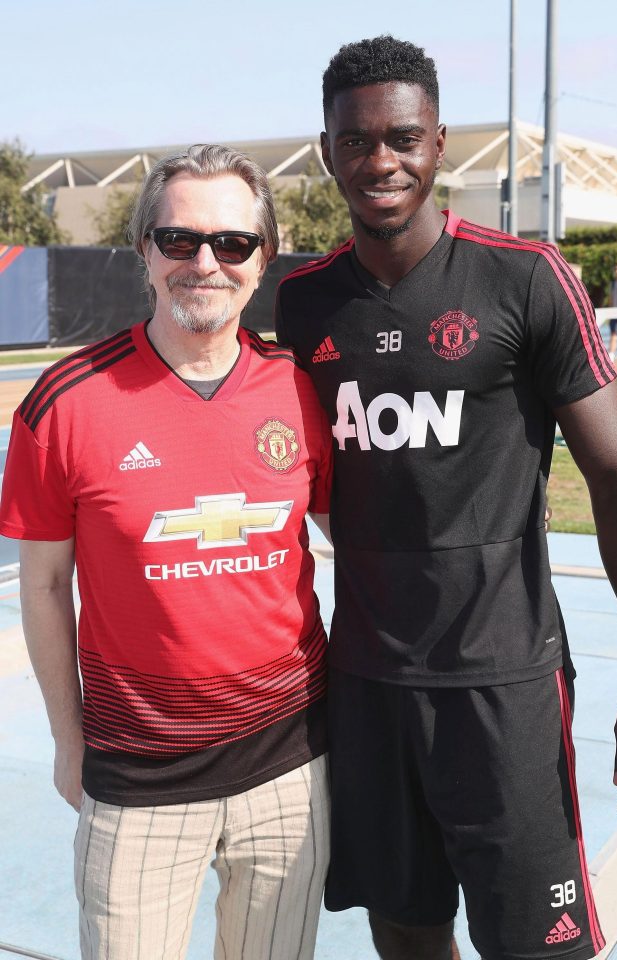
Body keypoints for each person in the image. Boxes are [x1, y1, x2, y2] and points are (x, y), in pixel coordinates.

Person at [275, 36, 617, 960]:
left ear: (441, 143)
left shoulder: (524, 279)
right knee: (407, 935)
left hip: (505, 686)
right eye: (358, 141)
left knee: (537, 948)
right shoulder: (299, 305)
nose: (383, 161)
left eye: (404, 138)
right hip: (368, 684)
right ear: (328, 151)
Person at [0, 145, 334, 960]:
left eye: (232, 243)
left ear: (263, 260)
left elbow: (366, 552)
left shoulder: (303, 390)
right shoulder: (64, 403)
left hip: (292, 768)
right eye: (179, 240)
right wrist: (70, 742)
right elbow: (43, 588)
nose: (205, 263)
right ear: (144, 251)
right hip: (136, 783)